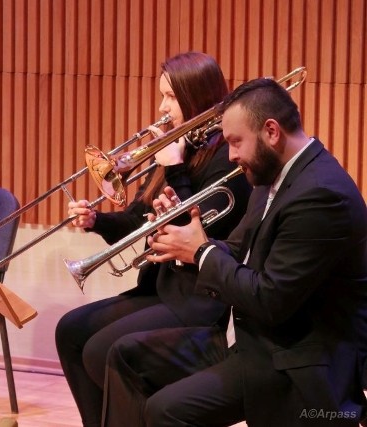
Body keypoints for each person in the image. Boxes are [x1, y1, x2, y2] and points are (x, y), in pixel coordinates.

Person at [113, 77, 367, 426]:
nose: (231, 155)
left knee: (166, 411)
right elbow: (236, 249)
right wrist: (182, 239)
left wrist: (201, 251)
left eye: (235, 142)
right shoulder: (274, 175)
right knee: (124, 355)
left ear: (271, 131)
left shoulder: (322, 194)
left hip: (296, 361)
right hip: (253, 340)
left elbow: (270, 298)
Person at [55, 51, 252, 427]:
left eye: (172, 97)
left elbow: (199, 231)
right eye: (161, 95)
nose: (162, 107)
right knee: (71, 331)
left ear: (197, 97)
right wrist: (96, 219)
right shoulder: (179, 149)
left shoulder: (226, 157)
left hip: (199, 297)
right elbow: (136, 220)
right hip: (160, 287)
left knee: (100, 351)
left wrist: (175, 169)